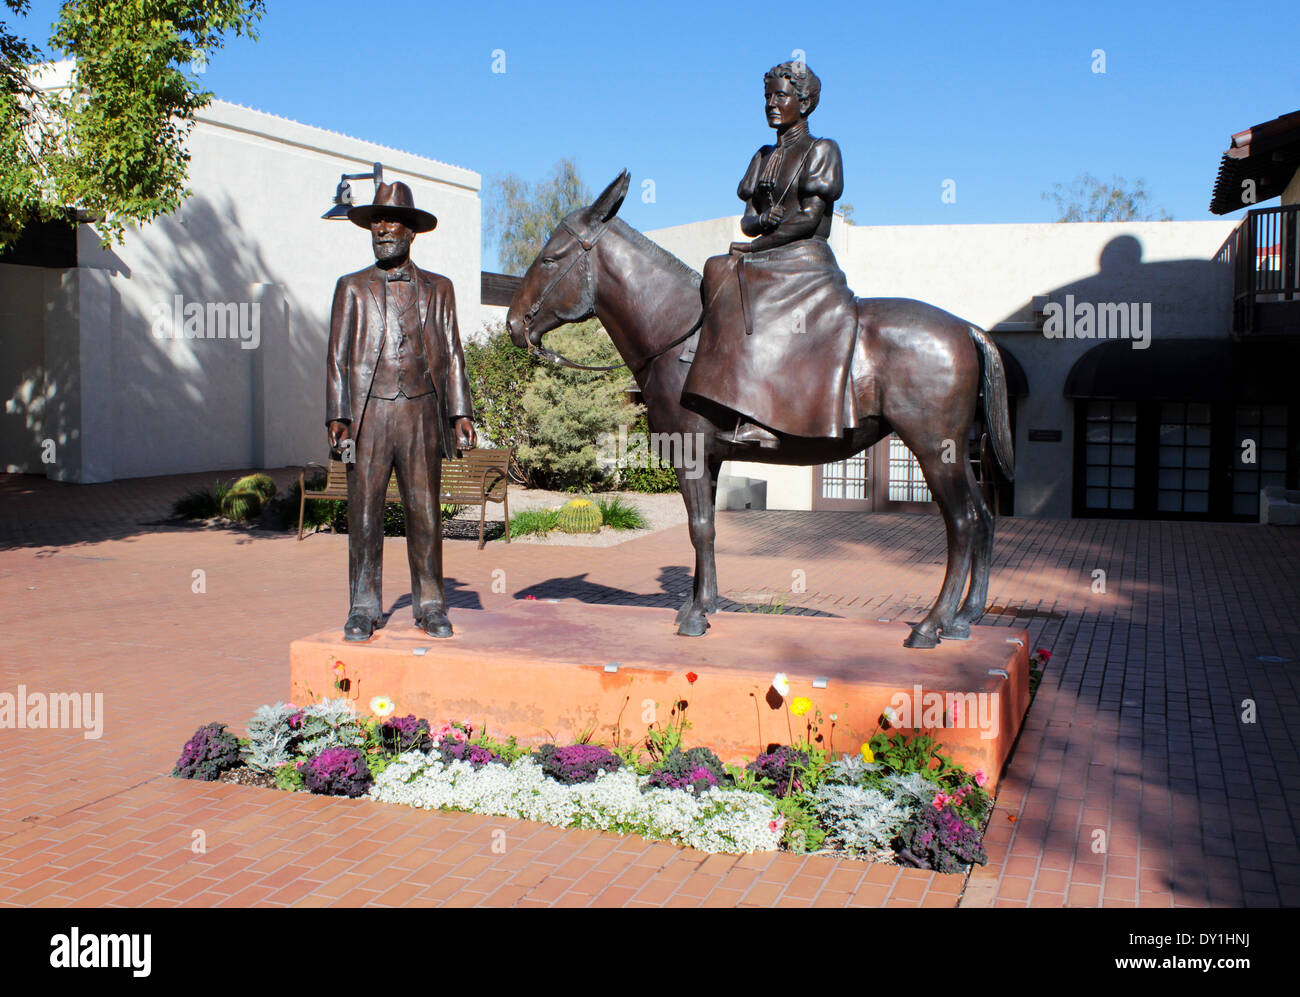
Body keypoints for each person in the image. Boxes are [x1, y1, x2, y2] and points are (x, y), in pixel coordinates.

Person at [325, 181, 476, 641]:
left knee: (425, 510)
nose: (382, 228)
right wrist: (338, 416)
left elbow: (451, 353)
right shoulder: (350, 288)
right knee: (365, 513)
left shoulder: (440, 288)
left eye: (391, 221)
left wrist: (460, 413)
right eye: (376, 221)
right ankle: (363, 606)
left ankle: (430, 603)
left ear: (412, 231)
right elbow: (336, 356)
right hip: (368, 417)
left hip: (421, 413)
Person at [681, 60, 859, 448]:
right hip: (769, 255)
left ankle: (763, 415)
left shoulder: (822, 150)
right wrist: (762, 220)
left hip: (804, 258)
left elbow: (811, 220)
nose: (771, 104)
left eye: (781, 95)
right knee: (717, 270)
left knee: (750, 298)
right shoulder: (761, 156)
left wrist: (756, 245)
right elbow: (747, 221)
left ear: (805, 102)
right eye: (767, 96)